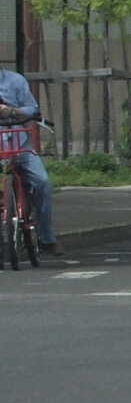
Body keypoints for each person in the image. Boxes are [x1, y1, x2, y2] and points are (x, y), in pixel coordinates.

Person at [0, 61, 68, 262]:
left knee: (43, 182)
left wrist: (12, 111)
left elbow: (32, 108)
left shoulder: (15, 80)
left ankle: (47, 238)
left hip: (20, 145)